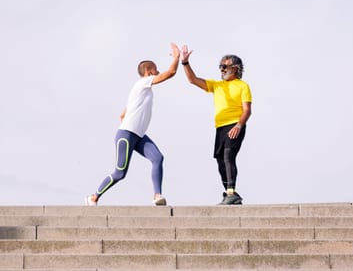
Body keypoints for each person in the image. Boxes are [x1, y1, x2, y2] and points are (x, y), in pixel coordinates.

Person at [86, 43, 180, 206]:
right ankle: (93, 197)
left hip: (138, 136)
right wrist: (177, 58)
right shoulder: (143, 82)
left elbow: (122, 114)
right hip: (127, 134)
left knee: (158, 158)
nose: (157, 73)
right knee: (120, 173)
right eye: (155, 70)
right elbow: (170, 73)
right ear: (148, 72)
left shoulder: (141, 91)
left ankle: (157, 196)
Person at [180, 45, 252, 205]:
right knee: (220, 160)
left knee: (228, 156)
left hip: (235, 125)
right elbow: (193, 80)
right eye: (220, 66)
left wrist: (239, 125)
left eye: (224, 66)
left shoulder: (243, 86)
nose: (221, 69)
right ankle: (230, 193)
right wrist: (185, 63)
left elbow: (247, 110)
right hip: (220, 128)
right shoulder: (217, 85)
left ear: (235, 68)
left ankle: (231, 192)